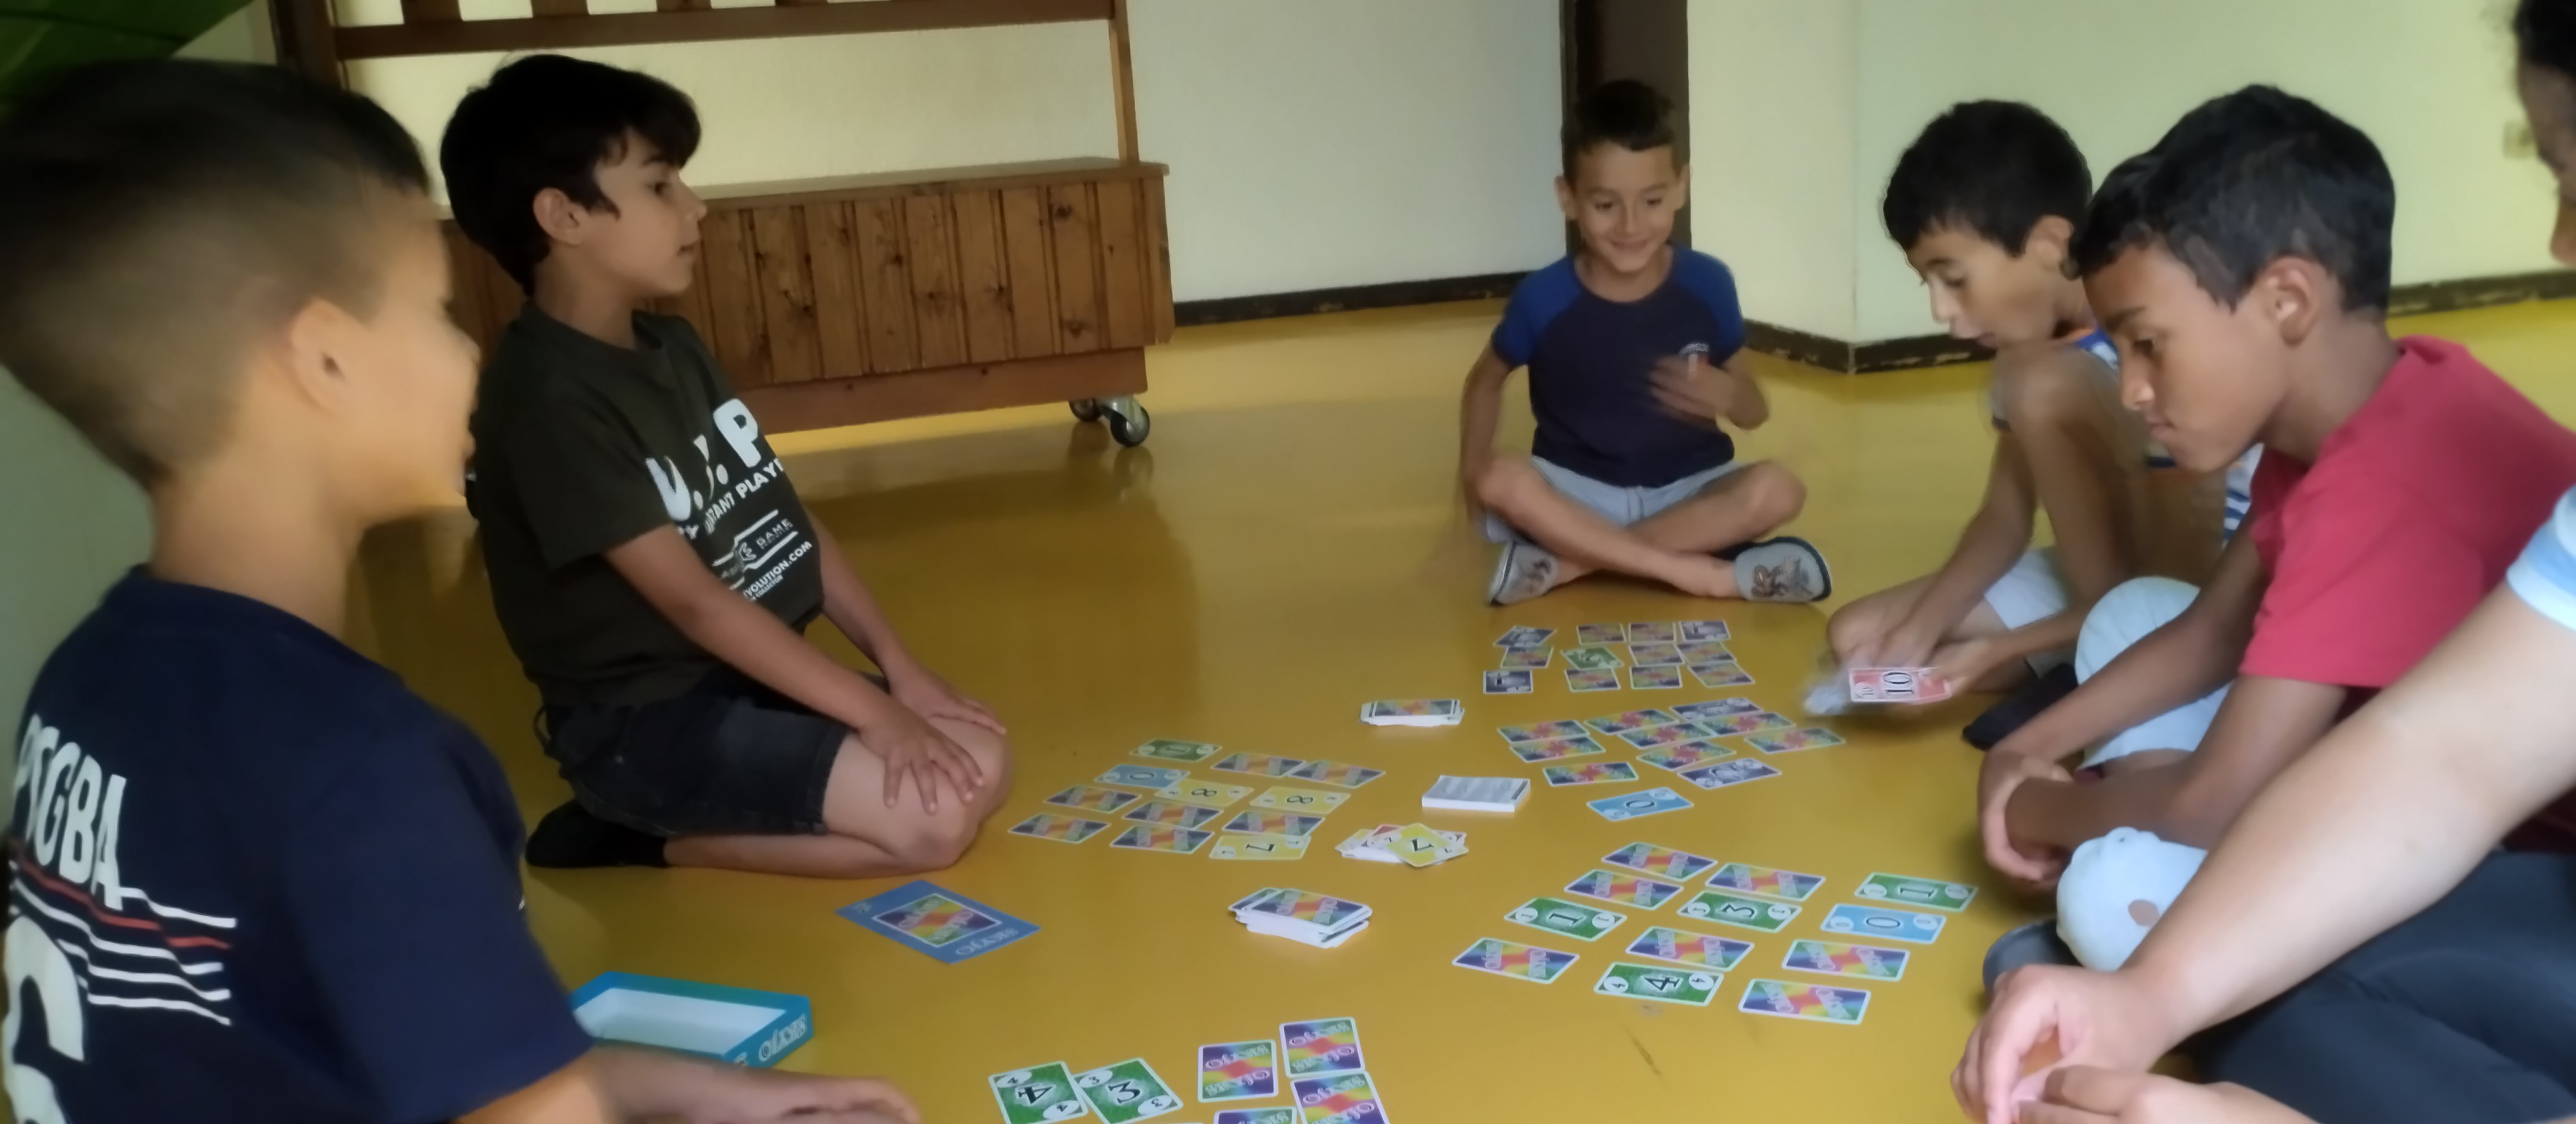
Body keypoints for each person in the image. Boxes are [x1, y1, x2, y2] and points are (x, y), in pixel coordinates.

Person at [0, 59, 917, 1123]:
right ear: (326, 361)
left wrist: (727, 1093)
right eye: (436, 309)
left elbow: (383, 1058)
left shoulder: (78, 689)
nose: (470, 349)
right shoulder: (368, 774)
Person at [1960, 4, 2576, 1120]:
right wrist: (2032, 750)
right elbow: (2216, 636)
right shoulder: (2363, 410)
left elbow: (2221, 800)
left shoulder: (2380, 482)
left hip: (2510, 857)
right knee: (2140, 617)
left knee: (2123, 893)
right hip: (2425, 781)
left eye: (2150, 346)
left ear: (2288, 300)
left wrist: (2052, 810)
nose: (2131, 390)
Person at [441, 55, 1011, 878]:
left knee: (983, 759)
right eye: (660, 184)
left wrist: (901, 670)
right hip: (644, 726)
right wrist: (876, 716)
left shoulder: (674, 346)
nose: (695, 207)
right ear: (564, 215)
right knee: (937, 823)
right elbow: (696, 604)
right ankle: (636, 835)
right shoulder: (545, 401)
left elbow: (783, 516)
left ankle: (724, 801)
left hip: (746, 678)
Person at [1828, 101, 2237, 696]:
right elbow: (2005, 518)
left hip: (2198, 584)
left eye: (1955, 279)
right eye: (1928, 283)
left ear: (2049, 243)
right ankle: (2085, 648)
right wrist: (1918, 632)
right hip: (2108, 584)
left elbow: (2180, 584)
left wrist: (2001, 648)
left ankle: (2091, 648)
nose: (1941, 310)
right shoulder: (2027, 354)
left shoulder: (2146, 338)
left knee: (2038, 384)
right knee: (1861, 641)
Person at [1461, 78, 1828, 606]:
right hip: (1576, 493)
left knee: (1780, 489)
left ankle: (1571, 564)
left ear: (1682, 186)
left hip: (1688, 490)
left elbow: (1754, 413)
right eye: (1605, 205)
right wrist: (1469, 483)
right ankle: (1700, 574)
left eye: (1652, 201)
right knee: (1499, 478)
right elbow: (1484, 382)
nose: (1631, 225)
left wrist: (1730, 395)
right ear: (1568, 198)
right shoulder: (1542, 298)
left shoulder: (1709, 283)